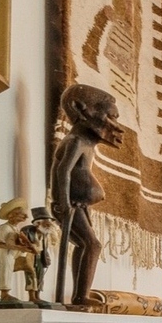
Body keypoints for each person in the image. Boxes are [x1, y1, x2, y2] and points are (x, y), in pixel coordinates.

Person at [50, 84, 123, 308]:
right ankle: (80, 295)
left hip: (79, 205)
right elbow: (63, 171)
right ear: (82, 110)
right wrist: (64, 203)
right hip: (69, 205)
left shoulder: (86, 144)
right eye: (111, 116)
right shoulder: (76, 141)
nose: (116, 126)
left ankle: (80, 295)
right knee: (92, 245)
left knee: (85, 245)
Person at [0, 199, 33, 303]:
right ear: (13, 215)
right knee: (5, 271)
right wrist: (19, 248)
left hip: (14, 254)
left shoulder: (15, 228)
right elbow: (0, 244)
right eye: (22, 215)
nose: (26, 217)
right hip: (6, 254)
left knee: (11, 271)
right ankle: (4, 294)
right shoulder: (4, 227)